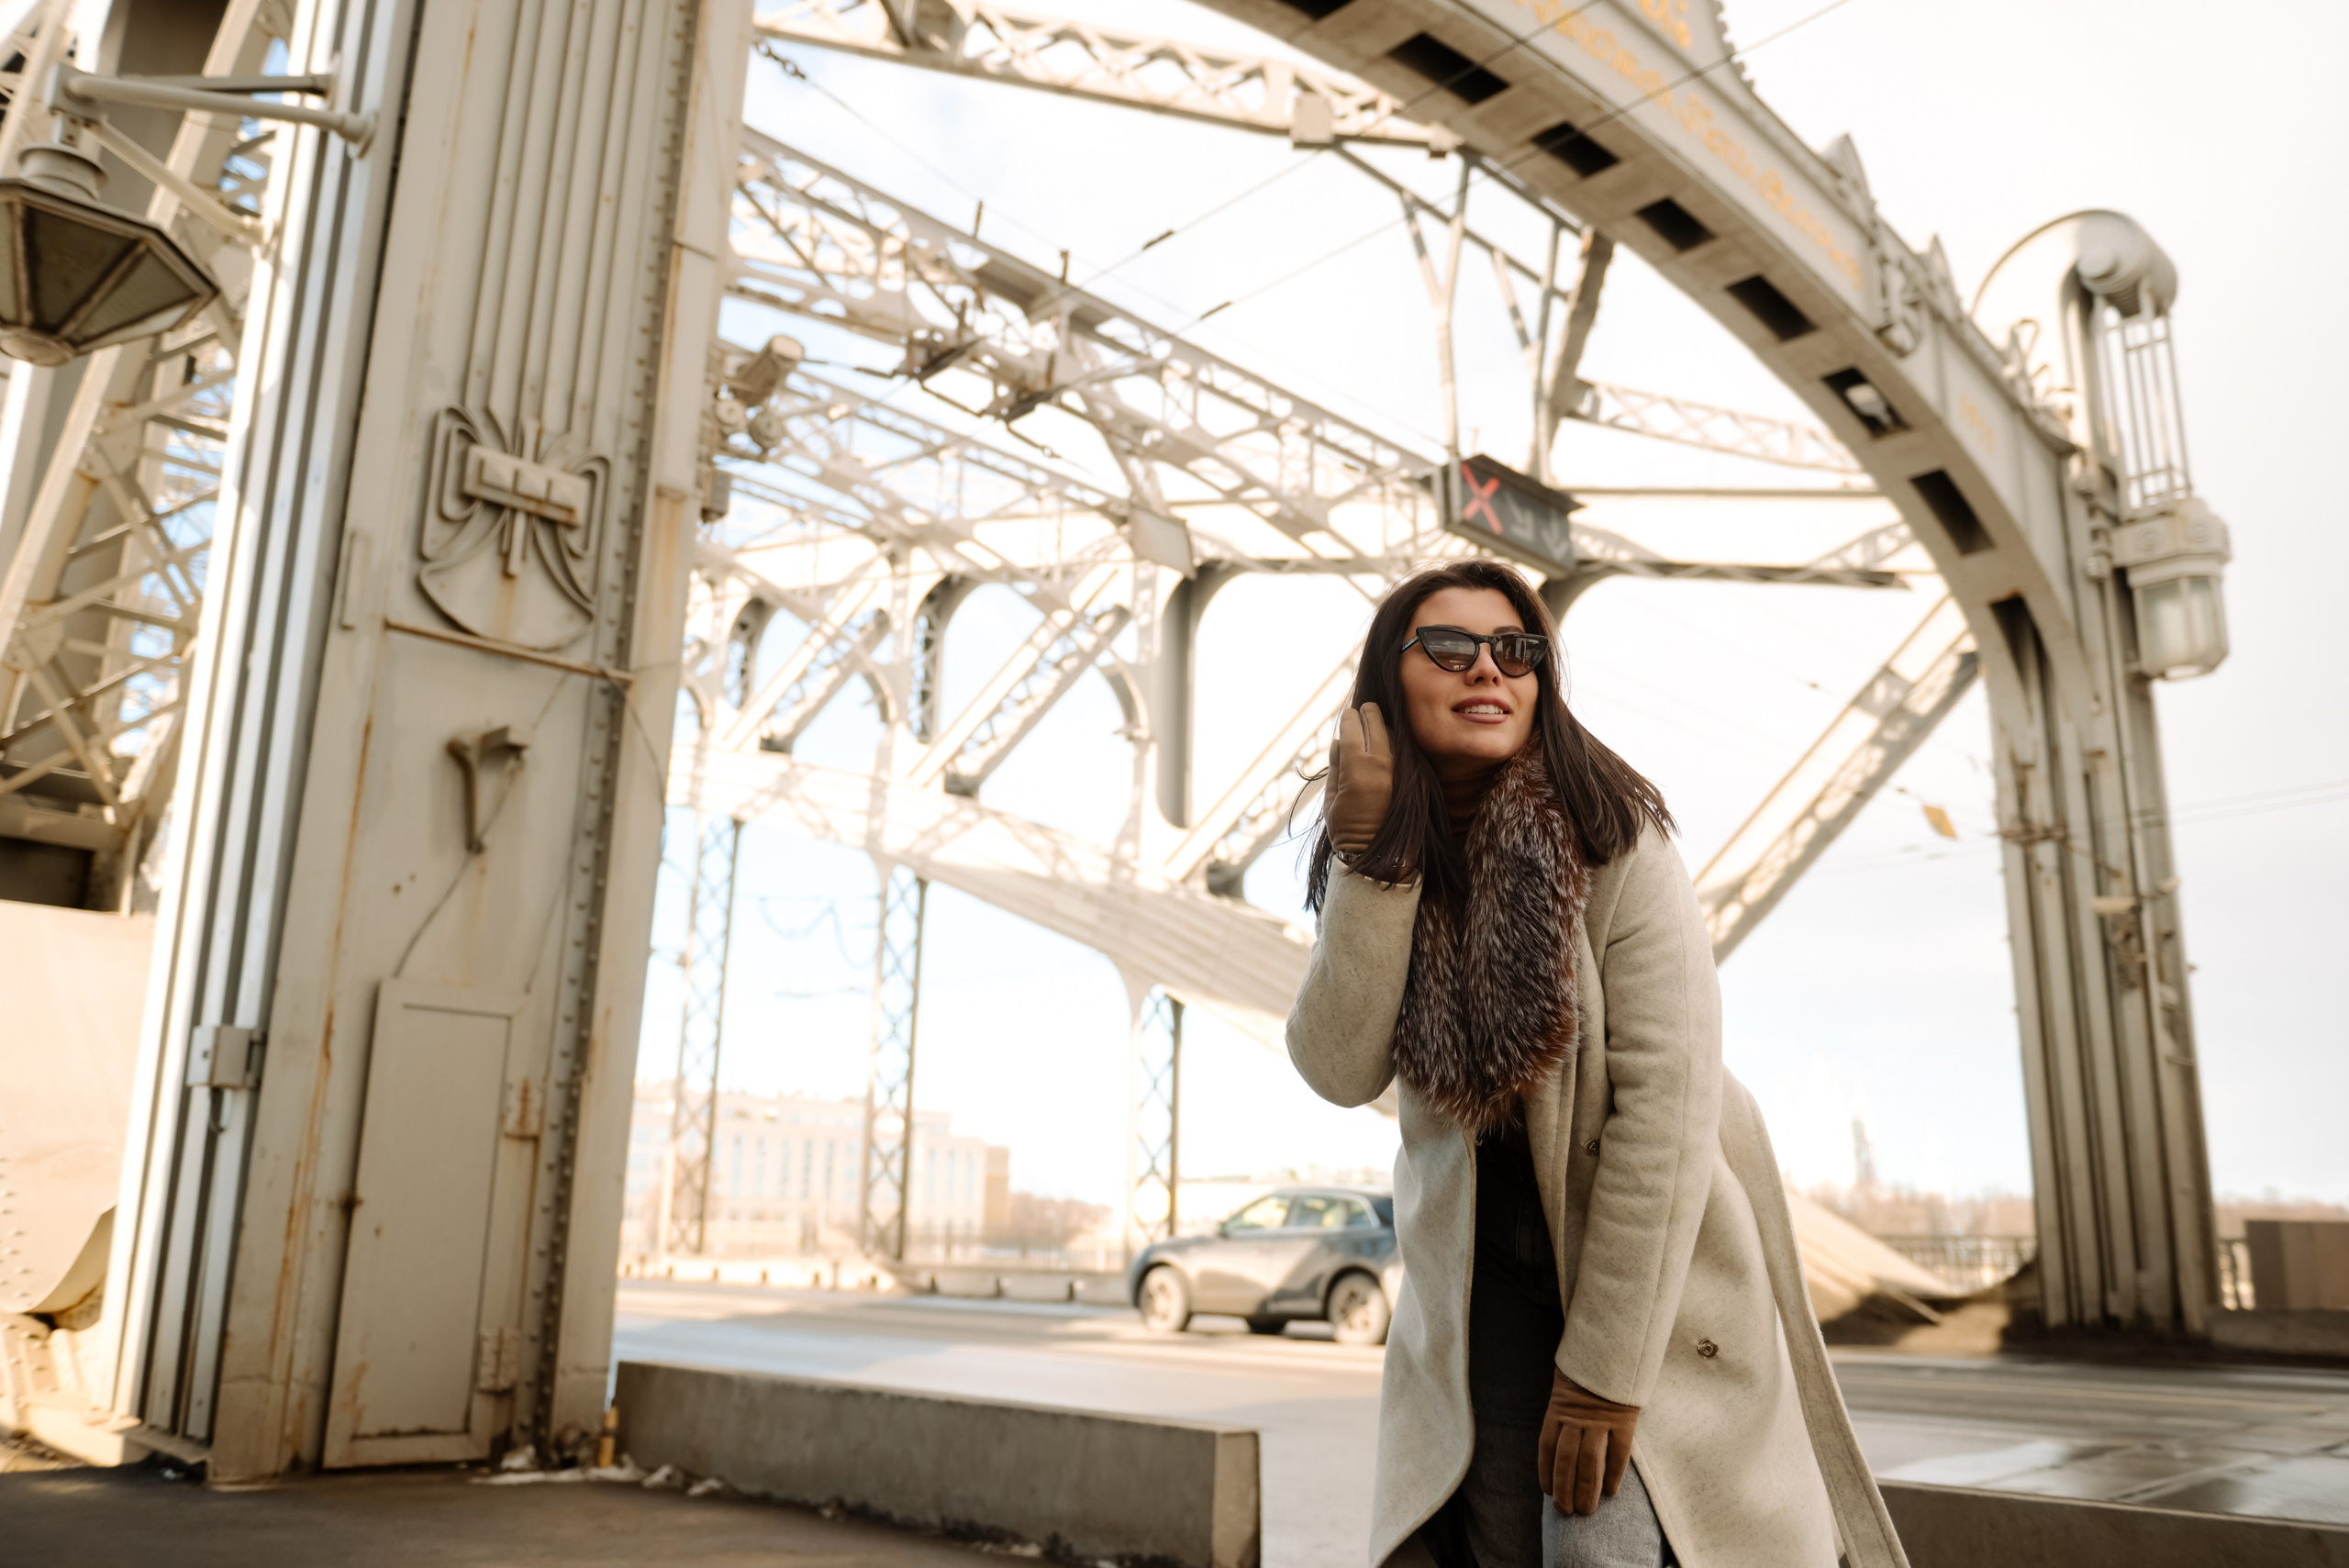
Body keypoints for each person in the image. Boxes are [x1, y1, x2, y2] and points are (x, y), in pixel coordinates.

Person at [1286, 560, 1908, 1568]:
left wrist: (1604, 1373)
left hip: (1644, 1286)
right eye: (1450, 645)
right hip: (1479, 1302)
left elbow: (1666, 1102)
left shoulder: (1616, 836)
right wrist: (1371, 865)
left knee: (1605, 1547)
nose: (1489, 666)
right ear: (1387, 681)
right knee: (1491, 1546)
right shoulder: (1392, 862)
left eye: (1518, 649)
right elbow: (1337, 1064)